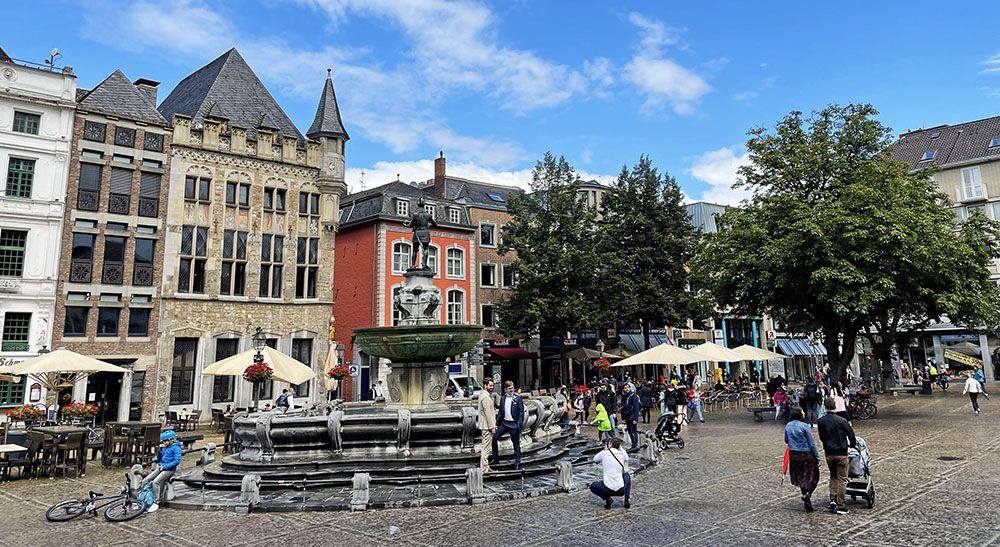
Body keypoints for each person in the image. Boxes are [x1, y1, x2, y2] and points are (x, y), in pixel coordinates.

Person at [817, 397, 857, 515]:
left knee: (833, 476)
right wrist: (852, 444)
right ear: (835, 406)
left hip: (829, 452)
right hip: (841, 452)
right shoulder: (842, 420)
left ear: (825, 406)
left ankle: (833, 499)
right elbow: (851, 434)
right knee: (842, 479)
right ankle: (841, 504)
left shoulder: (821, 421)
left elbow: (822, 437)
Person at [784, 408, 821, 512]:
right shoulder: (804, 426)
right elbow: (812, 443)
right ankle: (808, 494)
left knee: (801, 477)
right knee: (813, 477)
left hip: (794, 454)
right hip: (806, 454)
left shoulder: (788, 426)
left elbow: (786, 440)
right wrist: (817, 457)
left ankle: (805, 496)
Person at [141, 429, 182, 513]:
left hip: (169, 469)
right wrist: (159, 453)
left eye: (165, 441)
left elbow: (176, 461)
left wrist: (165, 467)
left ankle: (156, 502)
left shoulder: (176, 448)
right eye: (163, 441)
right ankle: (143, 499)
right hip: (160, 467)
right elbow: (160, 460)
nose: (164, 442)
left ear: (171, 440)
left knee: (156, 482)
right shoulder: (165, 447)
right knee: (145, 481)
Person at [588, 437, 631, 509]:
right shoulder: (622, 454)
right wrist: (620, 447)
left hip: (607, 489)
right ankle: (627, 500)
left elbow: (595, 459)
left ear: (610, 444)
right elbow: (627, 458)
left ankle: (607, 498)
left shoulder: (604, 453)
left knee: (593, 485)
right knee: (627, 475)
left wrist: (605, 449)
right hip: (621, 490)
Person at [491, 380, 524, 470]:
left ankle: (517, 462)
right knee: (494, 437)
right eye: (509, 389)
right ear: (505, 389)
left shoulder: (518, 398)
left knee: (516, 444)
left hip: (514, 424)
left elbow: (521, 412)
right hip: (505, 423)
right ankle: (495, 458)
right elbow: (501, 412)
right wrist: (496, 423)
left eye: (512, 388)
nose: (511, 390)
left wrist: (519, 424)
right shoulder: (503, 398)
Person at [477, 378, 497, 474]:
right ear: (485, 385)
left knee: (486, 448)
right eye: (490, 385)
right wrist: (492, 426)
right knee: (486, 448)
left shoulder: (484, 395)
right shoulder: (485, 397)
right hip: (487, 426)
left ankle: (485, 467)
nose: (492, 387)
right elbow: (488, 413)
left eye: (492, 385)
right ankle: (484, 469)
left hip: (486, 425)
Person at [620, 383, 640, 450]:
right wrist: (623, 418)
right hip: (627, 416)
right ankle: (633, 444)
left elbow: (636, 408)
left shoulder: (634, 396)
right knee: (629, 431)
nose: (626, 389)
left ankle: (635, 444)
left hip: (632, 415)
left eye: (627, 387)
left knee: (633, 430)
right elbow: (622, 407)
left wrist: (635, 418)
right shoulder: (624, 397)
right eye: (625, 388)